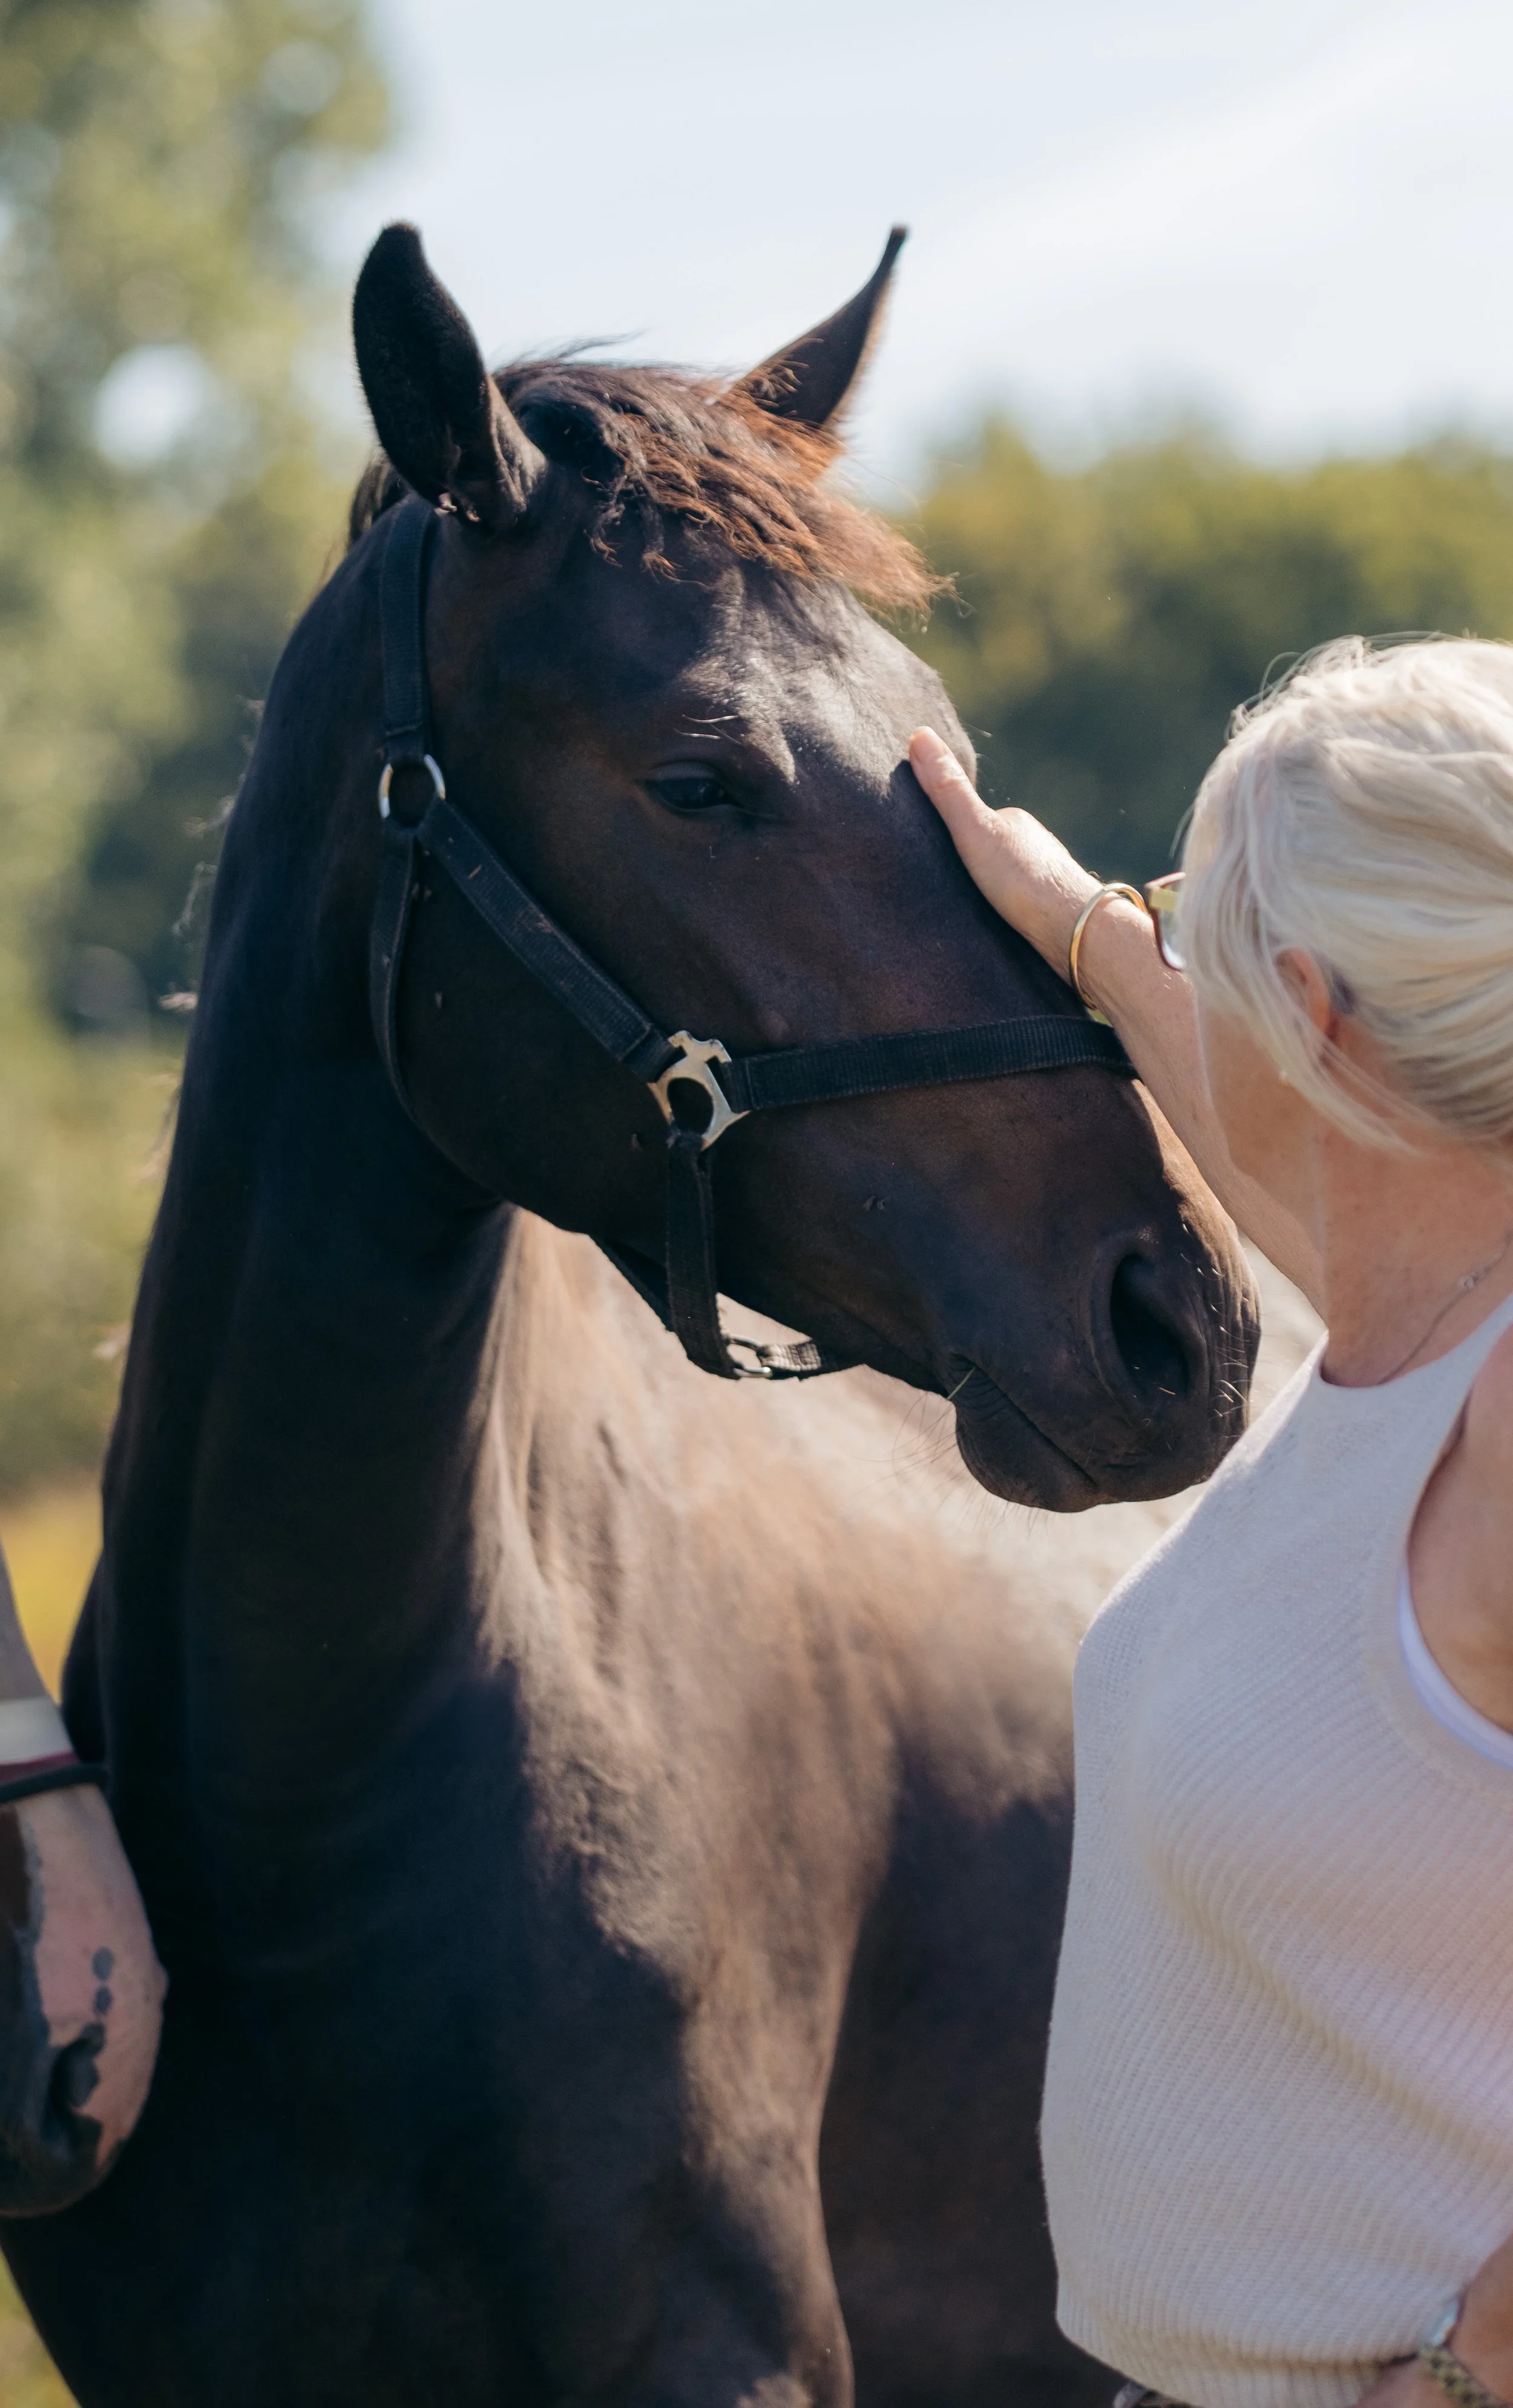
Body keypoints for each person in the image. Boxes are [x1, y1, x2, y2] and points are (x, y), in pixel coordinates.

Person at [908, 636, 1513, 2408]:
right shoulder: (1411, 1343)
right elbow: (1278, 1150)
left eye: (1199, 923)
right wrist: (1067, 918)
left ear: (1314, 1013)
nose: (1176, 962)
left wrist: (1482, 2370)